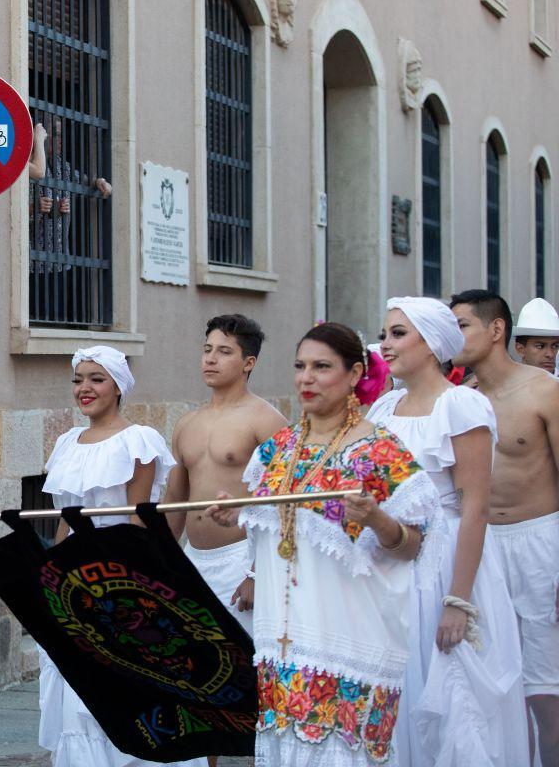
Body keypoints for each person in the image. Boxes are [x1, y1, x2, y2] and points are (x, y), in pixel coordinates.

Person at [208, 322, 435, 766]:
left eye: (321, 367)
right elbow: (268, 524)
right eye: (300, 366)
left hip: (347, 637)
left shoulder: (380, 451)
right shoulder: (277, 449)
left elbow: (413, 546)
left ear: (354, 375)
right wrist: (236, 511)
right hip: (282, 640)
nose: (306, 377)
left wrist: (376, 519)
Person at [366, 296, 529, 766]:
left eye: (398, 334)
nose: (386, 345)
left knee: (454, 693)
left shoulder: (461, 406)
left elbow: (476, 506)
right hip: (391, 554)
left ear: (431, 342)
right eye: (385, 334)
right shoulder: (384, 409)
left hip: (447, 559)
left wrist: (458, 601)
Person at [36, 346, 202, 767]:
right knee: (78, 689)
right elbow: (62, 520)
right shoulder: (66, 442)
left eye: (96, 379)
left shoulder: (137, 440)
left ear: (118, 386)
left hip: (117, 573)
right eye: (78, 379)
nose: (85, 388)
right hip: (69, 576)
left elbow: (137, 517)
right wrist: (50, 574)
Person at [450, 290, 559, 766]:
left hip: (541, 544)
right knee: (496, 687)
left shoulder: (544, 390)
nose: (451, 336)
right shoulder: (462, 401)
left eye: (462, 325)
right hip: (483, 549)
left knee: (546, 689)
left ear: (496, 331)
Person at [165, 315, 286, 636]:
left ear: (248, 362)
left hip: (241, 557)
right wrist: (159, 560)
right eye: (207, 349)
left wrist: (257, 573)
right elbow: (175, 499)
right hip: (194, 560)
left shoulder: (267, 420)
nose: (211, 358)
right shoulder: (187, 422)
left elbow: (284, 503)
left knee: (244, 662)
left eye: (224, 351)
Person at [30, 114, 112, 278]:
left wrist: (99, 182)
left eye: (61, 135)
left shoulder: (63, 166)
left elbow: (85, 182)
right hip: (33, 263)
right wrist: (35, 208)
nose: (60, 139)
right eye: (55, 134)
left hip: (60, 261)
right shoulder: (28, 164)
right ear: (41, 134)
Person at [513, 297, 559, 374]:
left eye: (555, 346)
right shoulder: (505, 384)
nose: (550, 354)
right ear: (520, 349)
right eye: (540, 346)